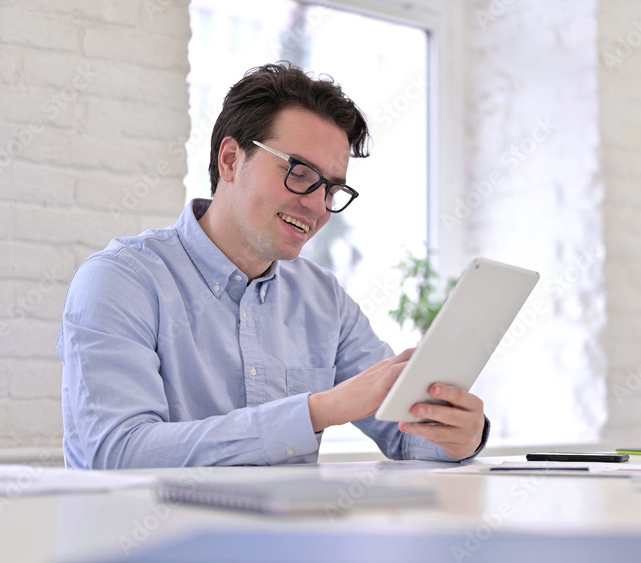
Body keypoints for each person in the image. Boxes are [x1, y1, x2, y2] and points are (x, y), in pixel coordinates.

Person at [58, 62, 488, 469]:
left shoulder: (324, 300)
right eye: (300, 172)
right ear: (230, 159)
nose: (318, 205)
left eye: (332, 189)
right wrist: (319, 410)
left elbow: (406, 435)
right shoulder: (121, 280)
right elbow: (117, 452)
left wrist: (460, 435)